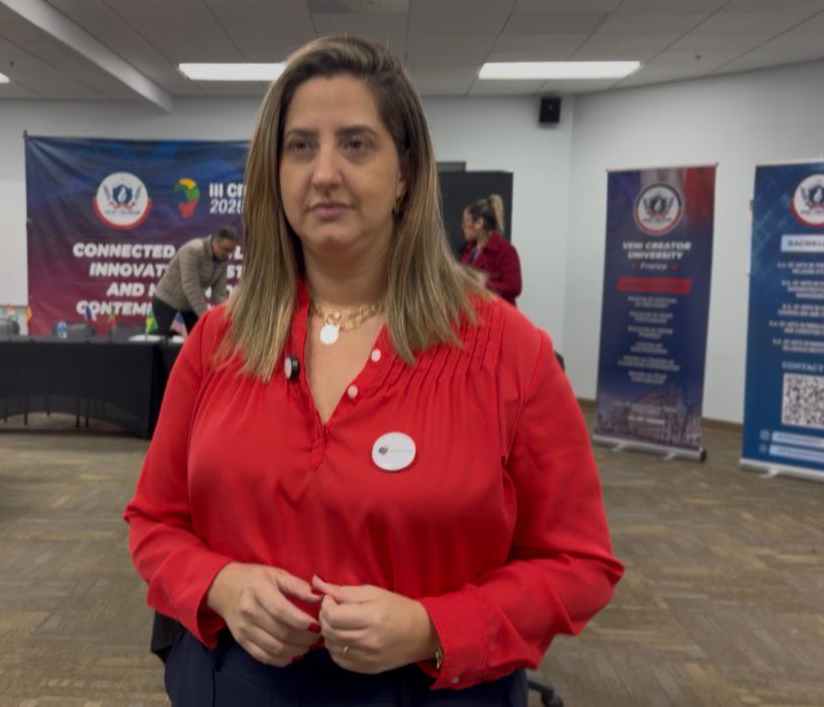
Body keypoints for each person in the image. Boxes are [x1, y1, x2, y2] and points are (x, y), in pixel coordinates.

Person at [124, 36, 621, 705]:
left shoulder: (508, 350)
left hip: (435, 690)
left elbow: (579, 563)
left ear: (406, 172)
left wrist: (432, 626)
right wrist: (221, 585)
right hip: (236, 683)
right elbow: (154, 522)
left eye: (356, 144)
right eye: (300, 146)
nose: (324, 172)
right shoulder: (217, 343)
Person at [150, 227, 239, 335]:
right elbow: (191, 287)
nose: (227, 254)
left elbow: (219, 293)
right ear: (215, 242)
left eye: (231, 251)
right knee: (168, 342)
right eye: (225, 249)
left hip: (189, 307)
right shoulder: (193, 250)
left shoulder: (223, 261)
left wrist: (228, 315)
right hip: (167, 303)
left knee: (200, 337)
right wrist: (205, 316)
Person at [459, 194, 522, 305]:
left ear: (479, 223)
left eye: (466, 221)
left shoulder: (506, 251)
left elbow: (514, 287)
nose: (463, 226)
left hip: (496, 311)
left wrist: (484, 284)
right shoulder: (468, 250)